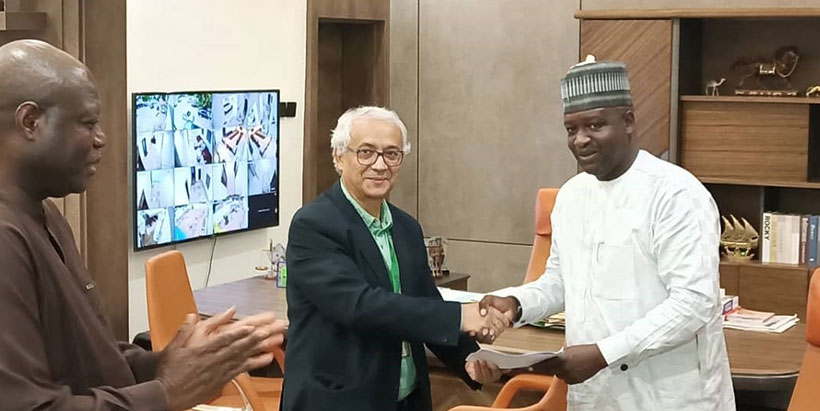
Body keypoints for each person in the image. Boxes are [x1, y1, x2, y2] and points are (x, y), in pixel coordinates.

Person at [0, 39, 287, 411]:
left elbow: (83, 356)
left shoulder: (46, 215)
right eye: (88, 123)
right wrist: (166, 393)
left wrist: (163, 364)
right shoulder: (6, 237)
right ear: (30, 122)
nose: (101, 139)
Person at [472, 56, 735, 410]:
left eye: (595, 126)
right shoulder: (571, 196)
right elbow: (562, 282)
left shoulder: (675, 194)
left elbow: (694, 304)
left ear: (628, 121)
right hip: (596, 397)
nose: (581, 140)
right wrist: (516, 303)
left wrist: (603, 354)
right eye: (571, 129)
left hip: (671, 396)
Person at [282, 106, 508, 411]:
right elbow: (360, 305)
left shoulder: (406, 227)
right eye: (366, 152)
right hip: (339, 401)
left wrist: (470, 358)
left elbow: (424, 300)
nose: (380, 165)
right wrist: (458, 317)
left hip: (406, 399)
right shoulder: (314, 225)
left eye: (392, 154)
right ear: (338, 157)